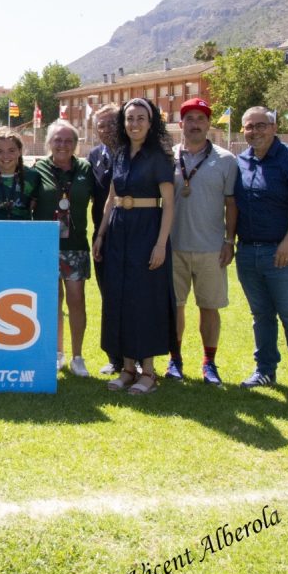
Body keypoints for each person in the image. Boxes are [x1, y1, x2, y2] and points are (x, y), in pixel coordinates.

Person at [92, 98, 176, 395]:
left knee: (145, 299)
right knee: (120, 297)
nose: (135, 124)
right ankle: (128, 368)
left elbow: (169, 204)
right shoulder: (119, 154)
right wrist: (101, 235)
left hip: (148, 231)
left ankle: (149, 372)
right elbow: (110, 199)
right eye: (129, 119)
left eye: (141, 118)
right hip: (119, 232)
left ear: (151, 123)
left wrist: (161, 244)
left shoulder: (159, 157)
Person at [232, 107, 288, 397]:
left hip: (284, 252)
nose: (254, 131)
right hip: (247, 252)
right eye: (248, 127)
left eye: (260, 125)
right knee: (261, 315)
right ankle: (265, 370)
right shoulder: (241, 162)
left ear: (273, 127)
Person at [166, 98, 238, 386]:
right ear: (181, 124)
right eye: (189, 118)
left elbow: (232, 203)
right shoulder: (167, 156)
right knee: (175, 306)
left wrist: (229, 240)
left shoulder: (226, 159)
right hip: (173, 245)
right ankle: (175, 359)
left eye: (201, 118)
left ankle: (209, 362)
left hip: (211, 247)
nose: (195, 124)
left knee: (209, 307)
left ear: (209, 123)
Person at [34, 120, 94, 376]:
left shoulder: (85, 169)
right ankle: (57, 353)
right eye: (58, 140)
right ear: (49, 142)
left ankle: (78, 356)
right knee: (52, 301)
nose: (63, 145)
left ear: (76, 144)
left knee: (76, 300)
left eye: (68, 140)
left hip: (76, 246)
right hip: (45, 247)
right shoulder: (38, 169)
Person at [88, 104, 123, 375]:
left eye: (112, 123)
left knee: (133, 297)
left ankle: (136, 355)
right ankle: (114, 357)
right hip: (102, 238)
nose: (107, 129)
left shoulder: (137, 153)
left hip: (133, 235)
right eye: (101, 125)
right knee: (109, 298)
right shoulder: (94, 156)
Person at [0, 130, 38, 220]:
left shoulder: (32, 176)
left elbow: (36, 208)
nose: (5, 156)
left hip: (22, 231)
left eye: (11, 151)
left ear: (20, 151)